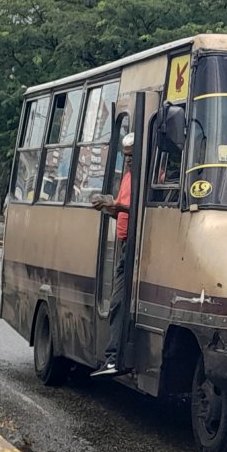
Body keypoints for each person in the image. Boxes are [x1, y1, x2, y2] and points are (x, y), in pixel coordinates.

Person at [90, 132, 134, 377]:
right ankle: (111, 356)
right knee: (116, 301)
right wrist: (109, 206)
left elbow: (140, 207)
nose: (128, 162)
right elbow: (123, 211)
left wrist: (117, 206)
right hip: (124, 243)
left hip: (135, 247)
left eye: (132, 157)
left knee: (118, 301)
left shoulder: (149, 176)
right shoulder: (127, 178)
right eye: (125, 157)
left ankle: (114, 356)